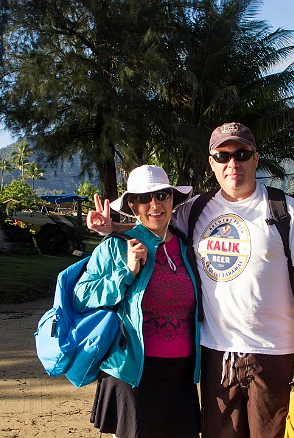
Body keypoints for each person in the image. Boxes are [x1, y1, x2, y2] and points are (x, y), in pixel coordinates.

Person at [88, 122, 294, 438]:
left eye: (241, 154)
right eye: (223, 156)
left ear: (256, 158)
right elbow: (154, 223)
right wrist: (112, 230)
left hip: (274, 352)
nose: (233, 164)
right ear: (211, 163)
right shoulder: (198, 209)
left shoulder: (284, 210)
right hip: (215, 353)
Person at [74, 165, 201, 438]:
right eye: (144, 198)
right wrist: (126, 273)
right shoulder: (116, 246)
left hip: (181, 376)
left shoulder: (187, 246)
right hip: (133, 374)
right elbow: (82, 296)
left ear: (172, 199)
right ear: (132, 204)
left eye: (161, 195)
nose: (154, 205)